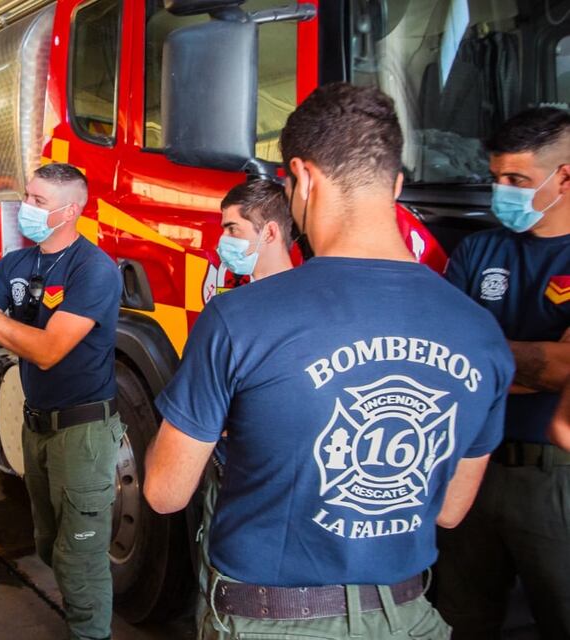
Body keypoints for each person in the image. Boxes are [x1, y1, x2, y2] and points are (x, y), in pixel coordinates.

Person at [143, 83, 514, 640]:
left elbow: (165, 491)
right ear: (394, 183)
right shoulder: (481, 332)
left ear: (304, 178)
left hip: (267, 622)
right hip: (410, 617)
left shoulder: (238, 318)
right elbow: (450, 510)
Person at [0, 162, 123, 640]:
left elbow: (48, 351)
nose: (25, 208)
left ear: (70, 210)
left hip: (83, 433)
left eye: (37, 201)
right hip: (37, 427)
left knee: (80, 555)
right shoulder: (15, 263)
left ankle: (91, 633)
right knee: (49, 542)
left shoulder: (94, 270)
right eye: (28, 197)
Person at [435, 107, 570, 639]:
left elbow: (564, 371)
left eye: (518, 180)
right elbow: (441, 362)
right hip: (470, 467)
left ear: (564, 175)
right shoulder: (478, 250)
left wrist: (479, 358)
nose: (503, 192)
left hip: (552, 474)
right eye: (496, 179)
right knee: (461, 621)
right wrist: (537, 360)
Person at [194, 178, 295, 629]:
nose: (223, 241)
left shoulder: (295, 306)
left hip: (261, 489)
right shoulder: (235, 303)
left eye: (233, 229)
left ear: (270, 233)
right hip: (225, 473)